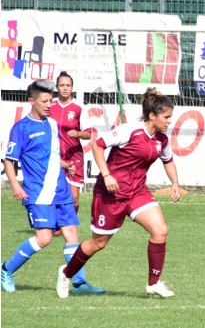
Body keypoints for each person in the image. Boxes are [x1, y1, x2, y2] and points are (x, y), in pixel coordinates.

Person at [56, 87, 181, 299]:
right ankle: (66, 274)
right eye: (166, 117)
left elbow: (168, 160)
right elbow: (98, 146)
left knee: (160, 231)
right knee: (98, 243)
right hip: (110, 194)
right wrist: (106, 175)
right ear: (152, 115)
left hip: (137, 192)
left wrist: (175, 182)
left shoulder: (162, 139)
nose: (169, 121)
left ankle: (154, 283)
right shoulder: (128, 130)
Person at [2, 80, 104, 295]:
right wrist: (15, 186)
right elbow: (9, 160)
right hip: (38, 192)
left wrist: (65, 165)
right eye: (44, 101)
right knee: (44, 239)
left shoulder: (51, 124)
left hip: (61, 189)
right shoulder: (21, 128)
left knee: (72, 237)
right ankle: (5, 270)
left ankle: (78, 283)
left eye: (50, 100)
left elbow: (51, 155)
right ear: (32, 101)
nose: (49, 105)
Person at [50, 71, 93, 222]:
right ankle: (56, 224)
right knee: (54, 192)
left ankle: (69, 222)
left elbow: (89, 134)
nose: (65, 88)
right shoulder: (50, 105)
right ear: (57, 87)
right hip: (54, 155)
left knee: (74, 196)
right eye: (62, 85)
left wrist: (78, 133)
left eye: (68, 85)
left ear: (72, 87)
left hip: (74, 155)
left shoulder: (79, 107)